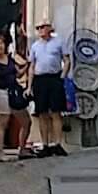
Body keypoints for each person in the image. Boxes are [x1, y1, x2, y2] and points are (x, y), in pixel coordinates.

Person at [24, 18, 70, 158]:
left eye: (43, 27)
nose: (40, 30)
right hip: (40, 80)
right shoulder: (35, 46)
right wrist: (29, 86)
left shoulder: (59, 42)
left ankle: (57, 143)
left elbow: (66, 60)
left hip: (54, 78)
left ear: (50, 28)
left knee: (56, 112)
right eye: (38, 28)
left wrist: (62, 76)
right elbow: (32, 66)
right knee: (42, 112)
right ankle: (44, 144)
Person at [0, 32, 25, 158]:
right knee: (2, 123)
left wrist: (28, 65)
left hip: (14, 92)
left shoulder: (10, 59)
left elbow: (18, 73)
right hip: (0, 92)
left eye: (1, 43)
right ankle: (0, 152)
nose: (0, 46)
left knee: (26, 121)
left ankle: (22, 148)